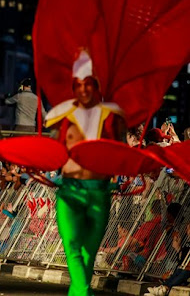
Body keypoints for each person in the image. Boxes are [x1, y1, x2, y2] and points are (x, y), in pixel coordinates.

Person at [44, 51, 126, 296]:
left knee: (89, 252)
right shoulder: (61, 116)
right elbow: (50, 150)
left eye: (88, 83)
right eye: (78, 85)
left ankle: (78, 291)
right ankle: (83, 292)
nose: (83, 89)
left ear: (96, 85)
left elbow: (122, 152)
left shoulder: (113, 116)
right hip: (70, 191)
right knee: (71, 246)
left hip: (99, 192)